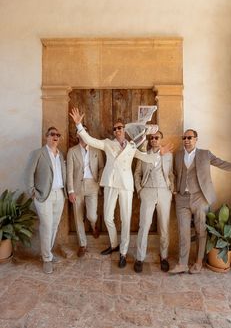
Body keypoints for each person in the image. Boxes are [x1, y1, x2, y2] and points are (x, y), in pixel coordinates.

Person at [70, 107, 173, 268]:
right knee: (107, 217)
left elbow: (146, 158)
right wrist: (79, 125)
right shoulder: (107, 143)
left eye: (120, 127)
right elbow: (90, 140)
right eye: (115, 128)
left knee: (126, 219)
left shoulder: (132, 146)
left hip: (126, 185)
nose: (117, 130)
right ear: (113, 131)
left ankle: (123, 253)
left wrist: (160, 153)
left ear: (124, 130)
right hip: (111, 183)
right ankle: (114, 244)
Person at [169, 129, 231, 274]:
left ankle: (199, 262)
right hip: (182, 198)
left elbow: (221, 163)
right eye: (184, 138)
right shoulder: (178, 155)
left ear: (196, 139)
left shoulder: (205, 154)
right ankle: (182, 263)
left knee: (201, 231)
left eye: (189, 137)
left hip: (200, 197)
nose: (186, 140)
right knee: (183, 232)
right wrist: (174, 189)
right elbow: (173, 173)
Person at [24, 127, 66, 274]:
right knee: (46, 226)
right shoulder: (38, 153)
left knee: (54, 226)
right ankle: (46, 259)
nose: (55, 136)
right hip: (43, 195)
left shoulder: (60, 155)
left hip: (59, 194)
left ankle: (48, 253)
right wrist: (32, 191)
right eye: (52, 134)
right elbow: (28, 173)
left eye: (57, 134)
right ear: (46, 137)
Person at [133, 131, 174, 273]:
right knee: (144, 225)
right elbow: (137, 173)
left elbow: (170, 173)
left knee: (164, 226)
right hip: (148, 191)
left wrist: (171, 190)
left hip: (164, 191)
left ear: (161, 139)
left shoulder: (168, 155)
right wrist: (139, 190)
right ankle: (139, 258)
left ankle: (164, 257)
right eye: (152, 138)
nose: (154, 140)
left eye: (157, 138)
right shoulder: (144, 154)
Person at [67, 127, 104, 257]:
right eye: (80, 132)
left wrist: (98, 184)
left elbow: (101, 168)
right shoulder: (72, 151)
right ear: (77, 135)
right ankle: (82, 244)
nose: (83, 134)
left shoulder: (96, 150)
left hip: (92, 185)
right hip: (77, 187)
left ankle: (93, 225)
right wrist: (70, 190)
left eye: (85, 132)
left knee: (91, 215)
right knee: (78, 217)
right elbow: (69, 173)